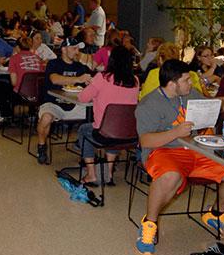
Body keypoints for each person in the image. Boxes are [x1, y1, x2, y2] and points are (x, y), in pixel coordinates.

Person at [135, 59, 224, 255]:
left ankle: (215, 214)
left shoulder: (189, 94)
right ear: (172, 84)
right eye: (186, 80)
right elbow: (146, 140)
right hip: (163, 151)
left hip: (196, 150)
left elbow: (214, 104)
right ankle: (149, 223)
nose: (191, 83)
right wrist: (175, 133)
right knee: (170, 176)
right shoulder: (148, 104)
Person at [77, 46, 140, 186]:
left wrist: (92, 87)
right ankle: (109, 173)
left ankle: (91, 174)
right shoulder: (135, 81)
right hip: (128, 134)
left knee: (84, 130)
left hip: (104, 134)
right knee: (115, 127)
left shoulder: (102, 77)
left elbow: (82, 98)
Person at [35, 38, 92, 165]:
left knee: (96, 115)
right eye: (74, 48)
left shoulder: (81, 67)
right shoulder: (53, 64)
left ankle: (84, 146)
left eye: (78, 49)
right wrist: (78, 79)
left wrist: (90, 81)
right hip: (54, 103)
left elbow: (89, 83)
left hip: (75, 105)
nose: (77, 51)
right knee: (46, 118)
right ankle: (41, 146)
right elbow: (55, 79)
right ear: (64, 49)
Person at [139, 42, 203, 100]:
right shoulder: (192, 74)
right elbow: (199, 97)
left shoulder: (154, 73)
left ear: (160, 59)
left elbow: (144, 97)